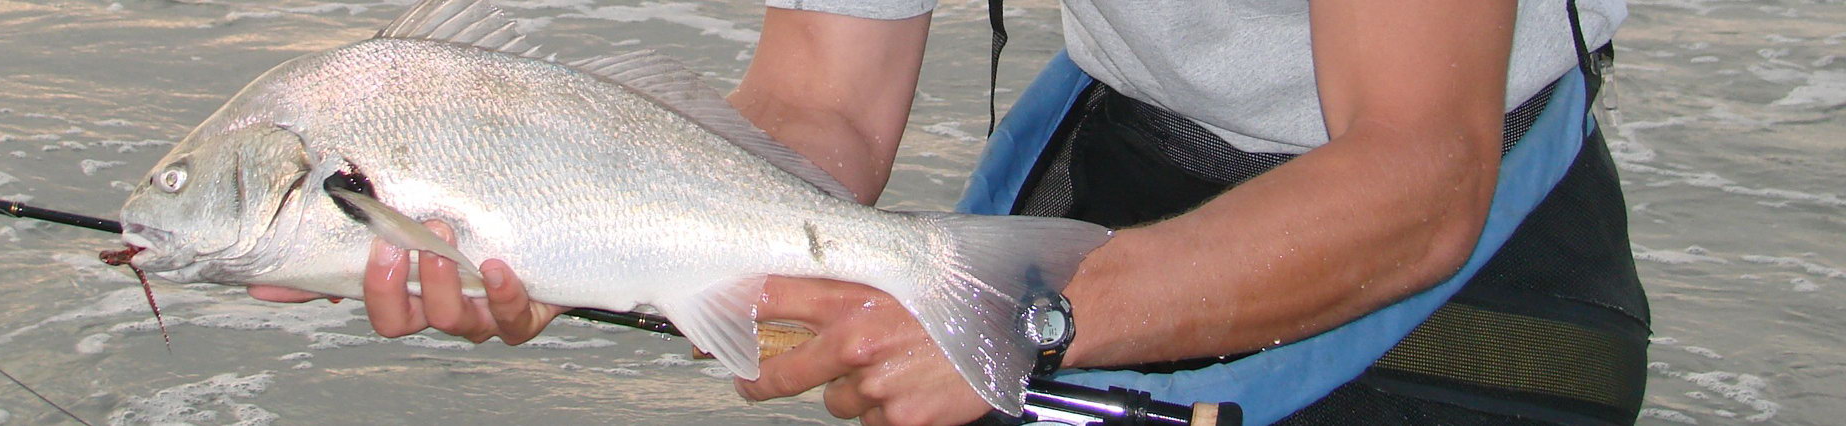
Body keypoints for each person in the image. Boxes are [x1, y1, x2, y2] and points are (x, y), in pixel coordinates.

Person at [254, 0, 1651, 424]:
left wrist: (1031, 320)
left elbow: (1418, 177)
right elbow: (824, 100)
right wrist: (574, 224)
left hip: (1477, 267)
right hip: (1121, 164)